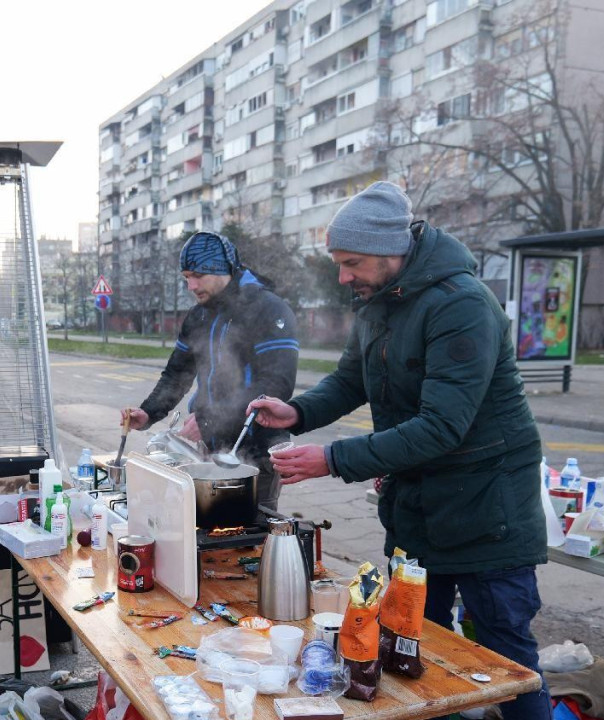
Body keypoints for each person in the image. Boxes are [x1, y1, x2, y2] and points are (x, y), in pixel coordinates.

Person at [247, 182, 549, 720]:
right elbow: (348, 381)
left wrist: (332, 459)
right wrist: (298, 412)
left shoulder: (462, 306)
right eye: (339, 263)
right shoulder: (377, 303)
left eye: (352, 262)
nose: (343, 277)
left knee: (507, 660)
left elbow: (440, 428)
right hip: (417, 510)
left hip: (487, 513)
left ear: (393, 252)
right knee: (411, 645)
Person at [123, 231, 299, 507]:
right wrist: (148, 412)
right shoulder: (199, 315)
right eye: (185, 277)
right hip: (210, 449)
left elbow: (276, 385)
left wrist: (208, 420)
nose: (191, 285)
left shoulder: (268, 309)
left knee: (251, 535)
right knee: (205, 528)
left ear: (222, 270)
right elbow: (176, 373)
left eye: (197, 275)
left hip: (257, 453)